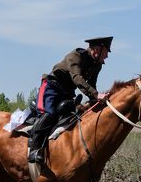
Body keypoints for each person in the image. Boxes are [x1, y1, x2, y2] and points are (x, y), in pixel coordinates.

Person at [27, 36, 112, 166]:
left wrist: (96, 99)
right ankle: (34, 150)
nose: (106, 57)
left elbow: (92, 83)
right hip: (51, 87)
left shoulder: (97, 65)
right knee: (49, 113)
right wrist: (96, 94)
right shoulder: (75, 56)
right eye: (106, 52)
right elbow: (77, 78)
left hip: (66, 93)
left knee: (73, 118)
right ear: (97, 49)